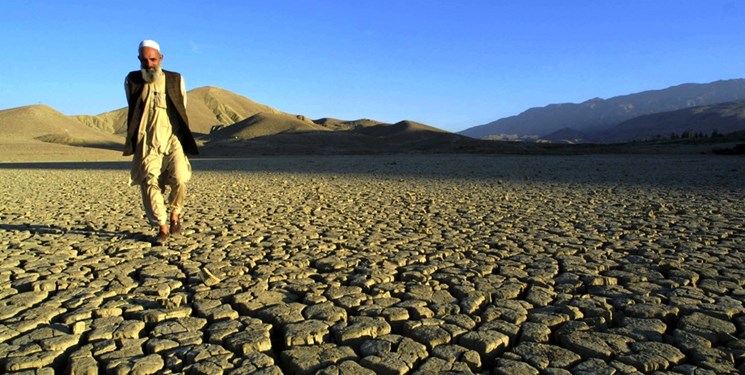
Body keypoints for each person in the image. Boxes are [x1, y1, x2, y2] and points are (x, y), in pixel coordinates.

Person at [123, 39, 199, 244]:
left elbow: (182, 106)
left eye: (153, 59)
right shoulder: (132, 80)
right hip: (147, 140)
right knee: (149, 182)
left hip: (172, 138)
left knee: (181, 178)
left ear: (161, 58)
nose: (149, 64)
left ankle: (175, 213)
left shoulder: (175, 80)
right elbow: (133, 108)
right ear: (139, 59)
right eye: (145, 60)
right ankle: (163, 227)